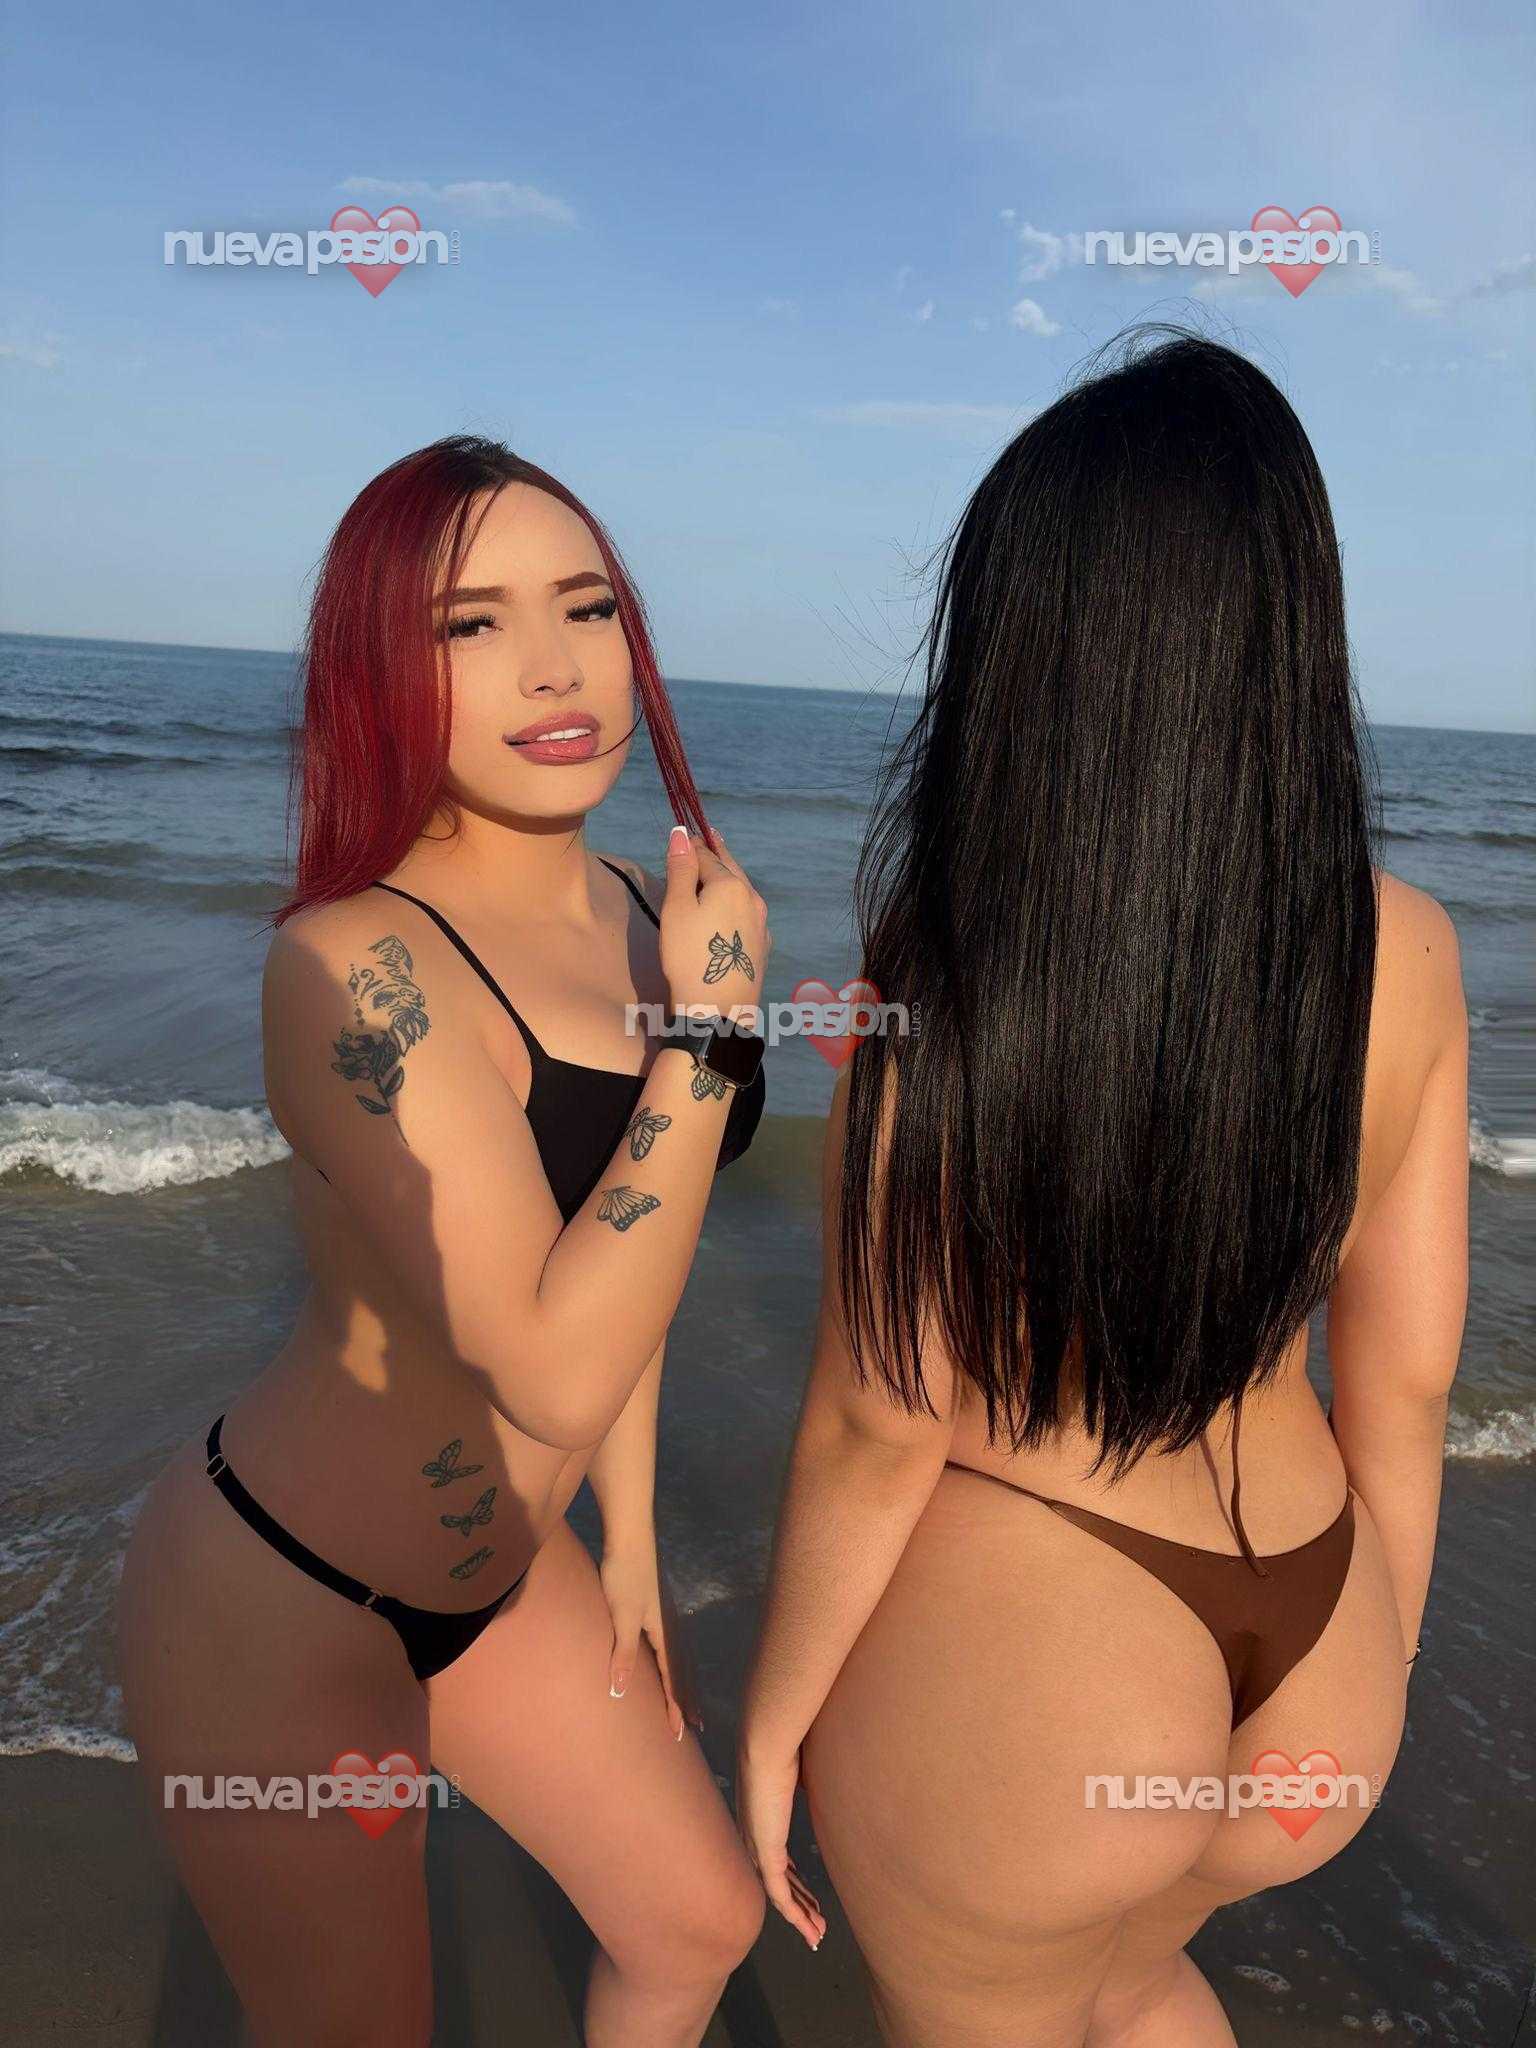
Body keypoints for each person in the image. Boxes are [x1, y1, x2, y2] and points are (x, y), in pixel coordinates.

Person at [737, 333, 1468, 2047]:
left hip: (1055, 1669)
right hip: (1320, 1637)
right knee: (1140, 1987)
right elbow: (1408, 1377)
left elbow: (880, 1419)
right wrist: (1381, 1657)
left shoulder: (954, 972)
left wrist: (775, 1713)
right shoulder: (1411, 950)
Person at [117, 436, 771, 2048]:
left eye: (586, 607)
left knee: (697, 1923)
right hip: (289, 1604)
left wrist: (631, 1542)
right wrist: (708, 1038)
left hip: (509, 1577)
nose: (554, 666)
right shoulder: (356, 964)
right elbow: (549, 1364)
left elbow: (632, 1257)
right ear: (377, 670)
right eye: (469, 626)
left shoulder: (648, 910)